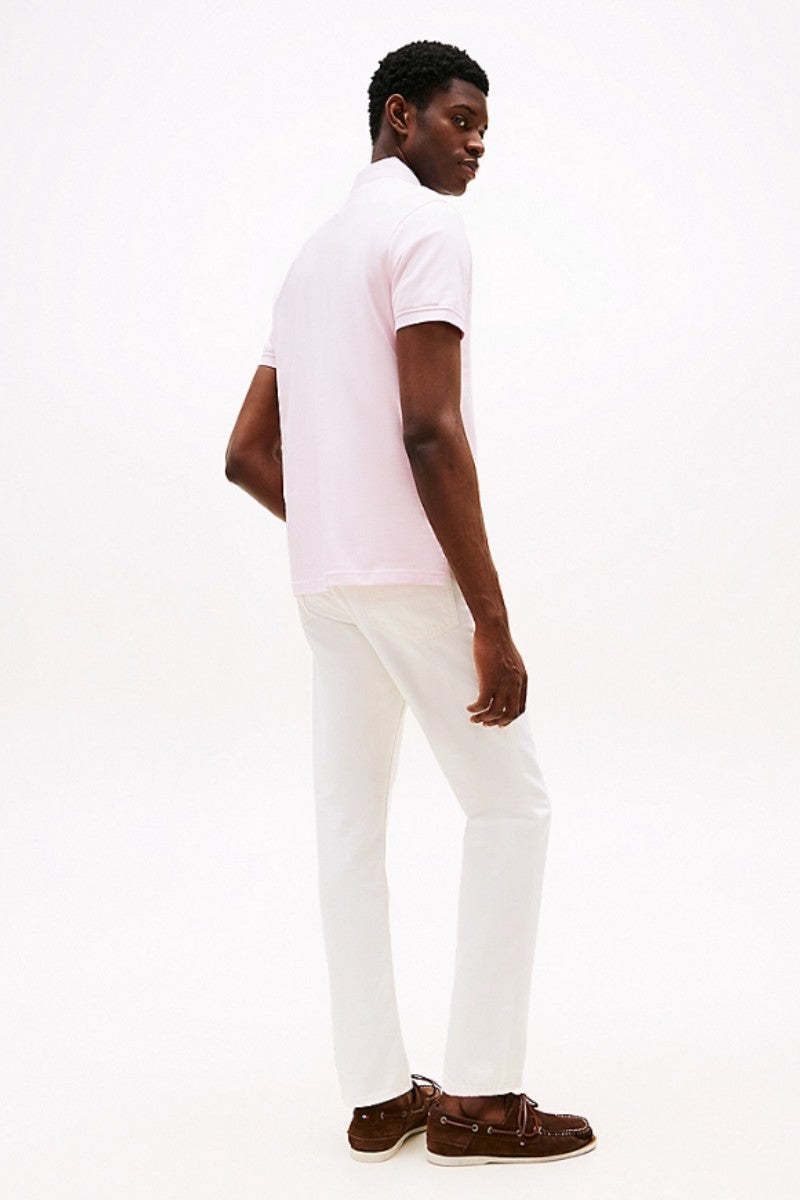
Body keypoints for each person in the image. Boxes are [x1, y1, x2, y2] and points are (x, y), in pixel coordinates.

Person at [225, 38, 596, 1167]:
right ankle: (477, 1096)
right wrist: (490, 619)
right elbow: (431, 429)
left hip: (326, 589)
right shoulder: (426, 230)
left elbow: (247, 455)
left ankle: (378, 1095)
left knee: (350, 830)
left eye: (483, 127)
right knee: (513, 808)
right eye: (458, 120)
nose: (476, 144)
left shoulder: (312, 256)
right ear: (399, 116)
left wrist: (337, 529)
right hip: (408, 583)